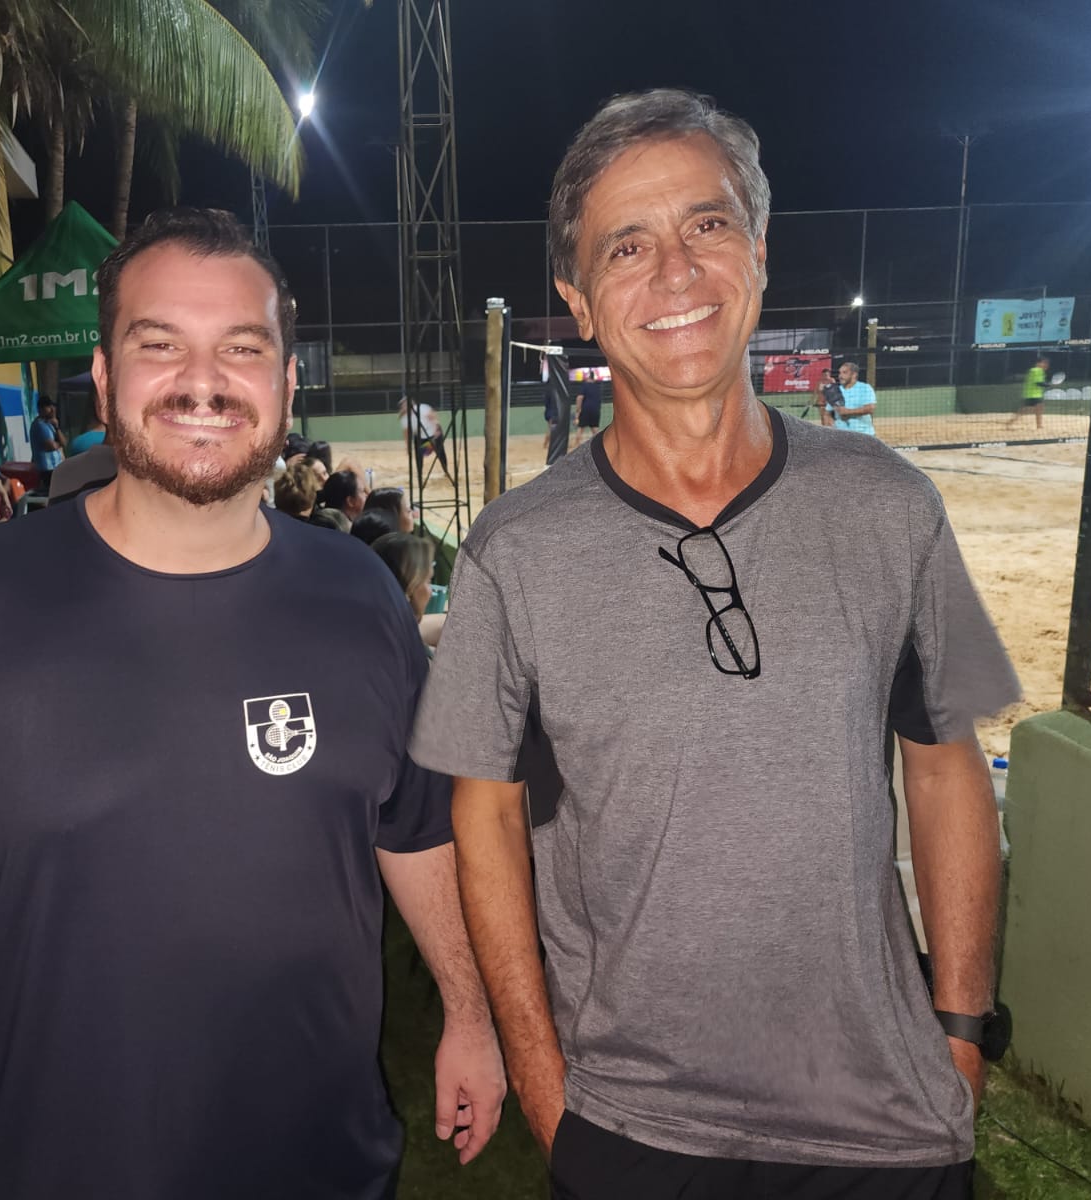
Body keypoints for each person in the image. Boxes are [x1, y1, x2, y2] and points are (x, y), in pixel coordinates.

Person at [0, 206, 504, 1200]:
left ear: (286, 384)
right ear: (103, 377)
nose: (202, 381)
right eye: (159, 343)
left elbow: (417, 831)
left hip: (331, 1166)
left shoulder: (358, 598)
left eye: (242, 348)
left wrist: (471, 1014)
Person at [409, 89, 1020, 1199]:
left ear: (760, 251)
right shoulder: (511, 552)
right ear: (577, 302)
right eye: (626, 246)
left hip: (887, 1130)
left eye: (707, 224)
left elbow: (947, 765)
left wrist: (963, 1033)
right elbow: (481, 814)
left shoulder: (894, 507)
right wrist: (544, 1084)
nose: (677, 272)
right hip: (630, 1131)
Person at [400, 396, 455, 486]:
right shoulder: (404, 419)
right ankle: (420, 475)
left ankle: (446, 470)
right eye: (403, 405)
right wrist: (408, 446)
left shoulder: (422, 408)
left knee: (440, 453)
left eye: (405, 404)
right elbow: (406, 433)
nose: (404, 407)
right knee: (419, 456)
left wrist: (437, 429)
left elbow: (433, 417)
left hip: (433, 432)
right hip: (420, 436)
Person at [29, 395, 67, 490]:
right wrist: (59, 445)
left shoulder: (51, 424)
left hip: (56, 467)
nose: (52, 409)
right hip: (46, 469)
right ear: (41, 409)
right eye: (48, 407)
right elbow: (51, 446)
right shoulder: (39, 425)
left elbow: (64, 442)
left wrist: (57, 427)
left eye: (52, 406)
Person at [829, 359, 877, 434]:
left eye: (844, 373)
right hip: (841, 435)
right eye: (840, 373)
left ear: (854, 375)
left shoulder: (865, 388)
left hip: (863, 434)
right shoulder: (835, 391)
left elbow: (870, 408)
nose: (840, 376)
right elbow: (827, 413)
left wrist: (848, 412)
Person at [1006, 355, 1050, 431]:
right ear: (1038, 363)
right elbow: (1038, 383)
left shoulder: (1034, 370)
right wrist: (1049, 385)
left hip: (1030, 394)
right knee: (1031, 410)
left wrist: (1047, 384)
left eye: (1047, 363)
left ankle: (1011, 422)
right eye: (1044, 363)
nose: (1046, 365)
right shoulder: (1037, 370)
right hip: (1034, 395)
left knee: (1033, 409)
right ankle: (1038, 426)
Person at [574, 370, 604, 447]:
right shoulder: (597, 387)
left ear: (588, 377)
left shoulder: (585, 385)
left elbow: (579, 398)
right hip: (596, 410)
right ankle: (599, 445)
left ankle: (576, 445)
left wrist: (578, 409)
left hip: (586, 409)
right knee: (595, 428)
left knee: (581, 427)